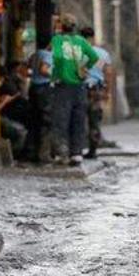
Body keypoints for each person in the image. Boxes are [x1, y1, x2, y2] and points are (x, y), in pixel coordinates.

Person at [50, 13, 99, 166]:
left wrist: (57, 74)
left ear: (61, 26)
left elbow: (57, 56)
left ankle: (61, 152)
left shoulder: (57, 39)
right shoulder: (81, 41)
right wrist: (83, 66)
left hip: (63, 86)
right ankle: (76, 153)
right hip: (80, 87)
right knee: (78, 120)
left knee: (61, 120)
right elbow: (94, 57)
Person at [79, 27, 113, 160]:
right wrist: (107, 92)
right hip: (96, 91)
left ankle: (76, 150)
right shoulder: (101, 54)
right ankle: (92, 150)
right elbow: (108, 73)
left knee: (78, 119)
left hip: (80, 89)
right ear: (93, 37)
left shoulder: (78, 52)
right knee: (94, 121)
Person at [26, 40, 53, 163]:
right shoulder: (48, 55)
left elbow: (29, 66)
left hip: (33, 88)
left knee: (34, 121)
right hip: (43, 89)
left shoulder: (36, 54)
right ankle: (43, 155)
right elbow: (43, 69)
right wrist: (54, 76)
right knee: (45, 122)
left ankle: (31, 152)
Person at [0, 61, 29, 158]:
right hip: (0, 117)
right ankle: (13, 156)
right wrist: (5, 101)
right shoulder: (6, 86)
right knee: (21, 132)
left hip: (8, 114)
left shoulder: (8, 85)